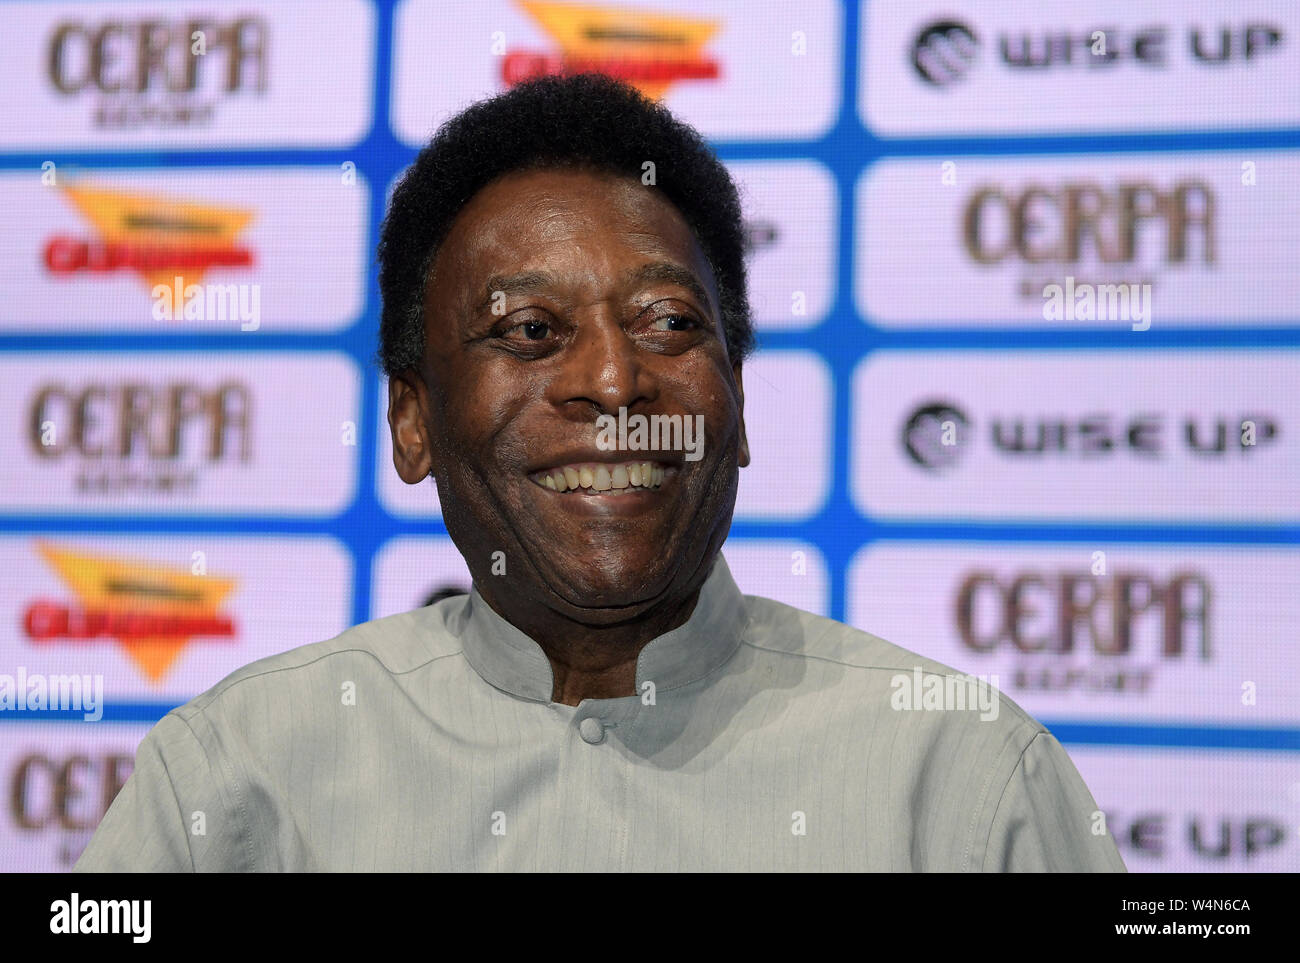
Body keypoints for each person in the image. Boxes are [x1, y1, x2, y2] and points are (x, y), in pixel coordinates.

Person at [76, 74, 1125, 872]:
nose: (615, 381)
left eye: (669, 323)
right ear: (413, 420)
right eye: (530, 330)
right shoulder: (232, 778)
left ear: (737, 399)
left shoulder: (962, 778)